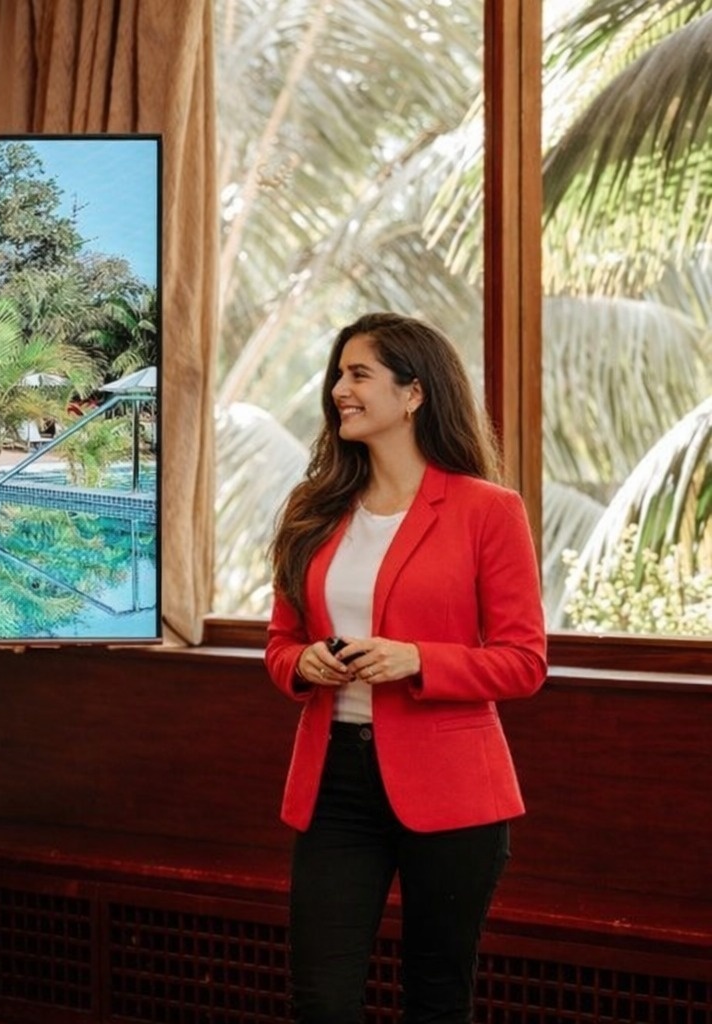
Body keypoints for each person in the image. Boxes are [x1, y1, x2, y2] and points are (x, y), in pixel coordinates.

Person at [263, 312, 547, 1024]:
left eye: (359, 374)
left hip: (454, 788)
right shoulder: (313, 509)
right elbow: (280, 644)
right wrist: (306, 664)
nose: (339, 389)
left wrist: (416, 658)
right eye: (338, 374)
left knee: (436, 1000)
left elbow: (524, 662)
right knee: (320, 1001)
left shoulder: (489, 510)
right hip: (335, 782)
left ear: (414, 393)